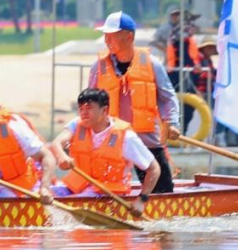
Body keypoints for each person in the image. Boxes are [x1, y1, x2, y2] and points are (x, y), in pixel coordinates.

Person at [89, 11, 180, 194]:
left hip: (147, 141)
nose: (107, 40)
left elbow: (168, 97)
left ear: (129, 36)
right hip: (111, 142)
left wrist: (172, 122)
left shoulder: (152, 64)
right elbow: (89, 102)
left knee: (163, 194)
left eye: (112, 35)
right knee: (106, 193)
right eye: (105, 35)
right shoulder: (98, 67)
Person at [49, 88, 161, 217]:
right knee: (48, 193)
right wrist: (61, 156)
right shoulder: (76, 125)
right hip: (76, 187)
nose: (83, 113)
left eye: (89, 108)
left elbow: (154, 169)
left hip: (107, 194)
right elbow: (56, 143)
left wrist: (142, 200)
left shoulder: (126, 137)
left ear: (104, 110)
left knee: (77, 199)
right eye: (81, 108)